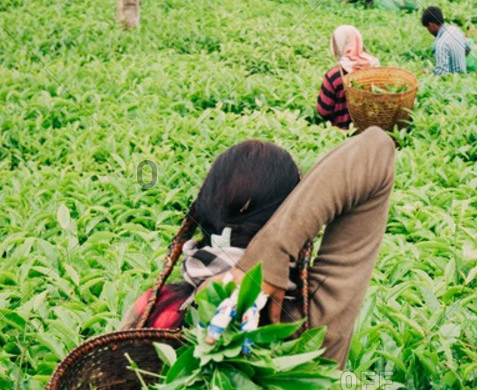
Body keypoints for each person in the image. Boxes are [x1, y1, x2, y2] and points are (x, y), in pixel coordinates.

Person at [119, 130, 397, 367]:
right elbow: (376, 147)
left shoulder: (155, 307)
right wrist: (275, 249)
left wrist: (261, 262)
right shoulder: (314, 314)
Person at [316, 25, 380, 130]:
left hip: (342, 134)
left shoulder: (334, 75)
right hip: (370, 132)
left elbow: (324, 110)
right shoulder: (376, 69)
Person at [421, 5, 470, 75]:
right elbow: (468, 49)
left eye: (428, 28)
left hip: (452, 82)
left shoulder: (441, 44)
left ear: (431, 25)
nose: (429, 31)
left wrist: (427, 74)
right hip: (463, 78)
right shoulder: (455, 30)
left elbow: (441, 72)